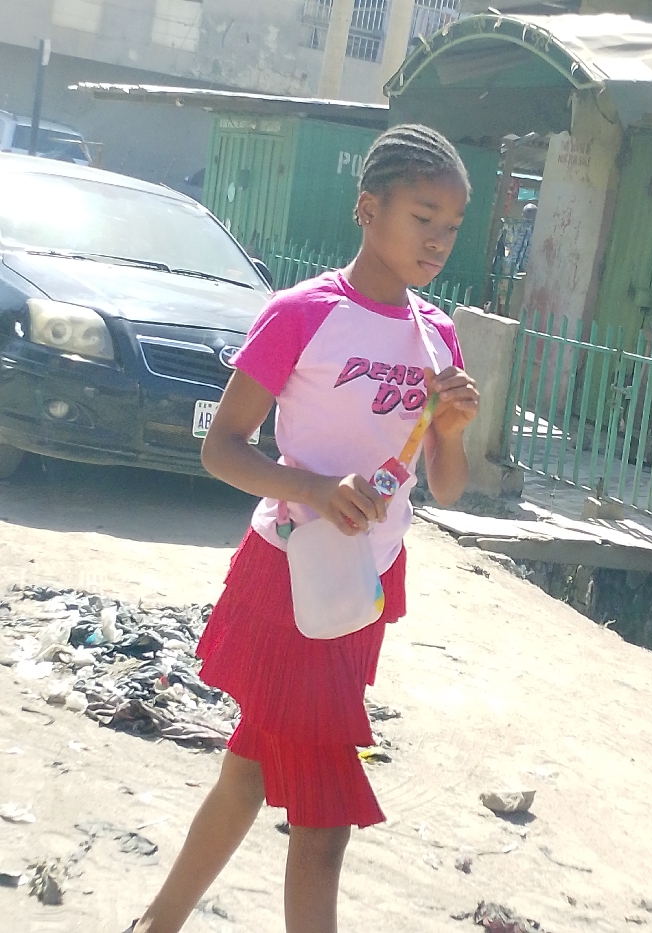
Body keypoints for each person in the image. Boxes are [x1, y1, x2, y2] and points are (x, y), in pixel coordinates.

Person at [125, 124, 480, 933]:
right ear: (368, 209)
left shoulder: (437, 334)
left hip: (364, 584)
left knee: (249, 771)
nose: (438, 240)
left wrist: (453, 430)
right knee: (324, 820)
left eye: (453, 226)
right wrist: (316, 488)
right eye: (423, 217)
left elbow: (449, 487)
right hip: (290, 574)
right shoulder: (302, 313)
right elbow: (222, 446)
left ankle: (154, 925)